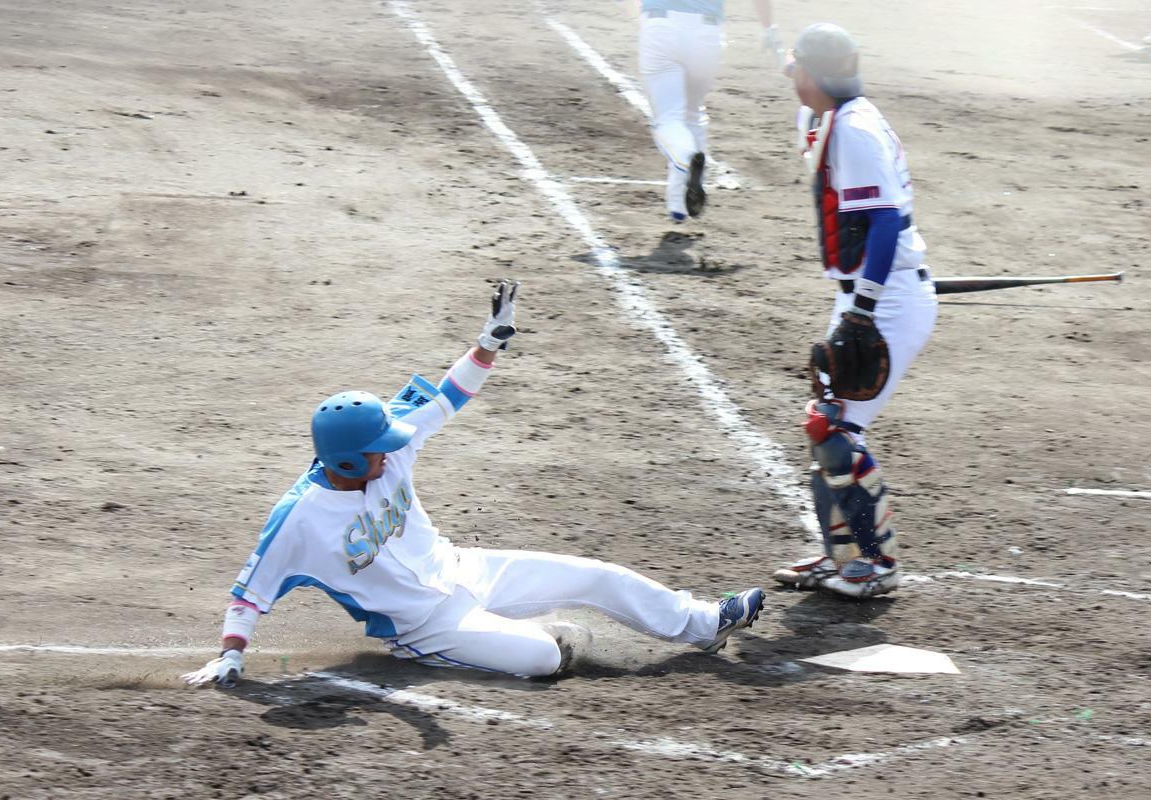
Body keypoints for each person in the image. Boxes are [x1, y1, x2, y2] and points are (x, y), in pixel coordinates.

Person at [183, 281, 765, 686]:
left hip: (463, 568)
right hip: (424, 624)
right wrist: (231, 656)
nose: (392, 454)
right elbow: (248, 595)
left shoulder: (387, 440)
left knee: (595, 576)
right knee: (543, 659)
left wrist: (487, 343)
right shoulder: (300, 519)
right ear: (348, 462)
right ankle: (483, 645)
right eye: (378, 453)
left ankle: (705, 621)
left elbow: (448, 397)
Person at [772, 24, 937, 598]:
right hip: (873, 292)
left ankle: (876, 564)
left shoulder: (855, 132)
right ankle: (840, 557)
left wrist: (863, 309)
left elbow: (887, 220)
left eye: (796, 68)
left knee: (835, 430)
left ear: (813, 77)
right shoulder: (834, 111)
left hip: (885, 299)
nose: (790, 75)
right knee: (826, 427)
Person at [638, 1, 779, 222]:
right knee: (693, 113)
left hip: (661, 27)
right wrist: (768, 28)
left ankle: (686, 157)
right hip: (707, 34)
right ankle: (679, 205)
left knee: (669, 117)